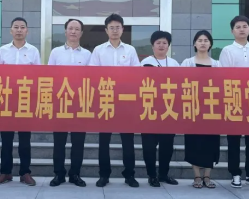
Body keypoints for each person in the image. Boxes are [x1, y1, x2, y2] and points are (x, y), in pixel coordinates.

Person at [89, 13, 141, 188]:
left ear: (122, 29)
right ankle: (104, 174)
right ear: (106, 30)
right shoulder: (99, 50)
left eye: (117, 27)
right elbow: (92, 74)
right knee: (104, 141)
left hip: (126, 101)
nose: (115, 30)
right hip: (105, 100)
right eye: (111, 28)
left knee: (128, 141)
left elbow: (136, 74)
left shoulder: (130, 50)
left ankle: (129, 175)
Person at [219, 15, 249, 189]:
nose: (241, 29)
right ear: (232, 31)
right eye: (238, 27)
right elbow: (224, 76)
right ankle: (235, 173)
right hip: (234, 100)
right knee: (233, 140)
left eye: (244, 26)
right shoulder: (227, 50)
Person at [0, 17, 41, 186]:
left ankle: (25, 173)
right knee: (6, 139)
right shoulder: (3, 50)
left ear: (27, 30)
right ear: (11, 30)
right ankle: (5, 172)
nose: (19, 30)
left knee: (25, 140)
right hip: (6, 99)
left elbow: (38, 76)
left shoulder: (33, 51)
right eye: (16, 27)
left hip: (26, 100)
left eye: (22, 27)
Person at [48, 18, 91, 187]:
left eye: (77, 29)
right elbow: (49, 77)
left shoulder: (87, 55)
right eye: (70, 28)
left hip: (80, 104)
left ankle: (75, 174)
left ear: (81, 33)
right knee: (59, 142)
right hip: (60, 103)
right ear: (65, 31)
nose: (73, 31)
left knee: (78, 142)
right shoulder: (56, 52)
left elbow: (91, 79)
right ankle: (58, 174)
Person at [140, 30, 180, 187]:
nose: (161, 45)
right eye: (158, 43)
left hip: (168, 111)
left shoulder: (174, 63)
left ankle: (163, 174)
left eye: (164, 43)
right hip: (149, 110)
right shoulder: (145, 63)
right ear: (152, 45)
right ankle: (151, 175)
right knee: (149, 146)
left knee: (167, 146)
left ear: (168, 46)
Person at [182, 30, 221, 189]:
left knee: (211, 142)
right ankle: (197, 175)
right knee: (194, 142)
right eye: (200, 40)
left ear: (210, 44)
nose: (203, 43)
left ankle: (207, 176)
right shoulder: (187, 63)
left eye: (206, 40)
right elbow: (181, 83)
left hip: (212, 108)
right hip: (193, 108)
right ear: (194, 44)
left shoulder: (217, 64)